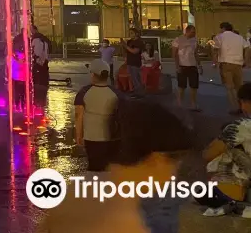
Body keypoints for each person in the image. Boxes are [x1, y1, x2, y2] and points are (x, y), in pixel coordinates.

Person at [39, 101, 193, 233]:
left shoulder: (79, 188)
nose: (174, 174)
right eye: (175, 162)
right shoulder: (126, 222)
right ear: (157, 159)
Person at [198, 82, 251, 217]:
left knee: (198, 191)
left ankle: (233, 198)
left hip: (233, 189)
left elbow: (207, 155)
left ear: (245, 102)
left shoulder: (240, 127)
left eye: (241, 102)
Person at [74, 59, 120, 172]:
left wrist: (78, 135)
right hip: (111, 137)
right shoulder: (115, 93)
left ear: (93, 75)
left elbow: (78, 115)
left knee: (94, 166)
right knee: (108, 167)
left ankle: (94, 187)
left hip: (91, 137)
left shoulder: (84, 92)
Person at [213, 22, 250, 115]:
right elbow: (247, 48)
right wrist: (246, 60)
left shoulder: (219, 37)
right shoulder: (239, 37)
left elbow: (215, 50)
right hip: (238, 64)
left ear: (223, 28)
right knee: (239, 87)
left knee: (229, 87)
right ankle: (243, 106)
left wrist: (216, 62)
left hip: (226, 64)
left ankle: (235, 107)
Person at [173, 24, 201, 111]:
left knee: (194, 86)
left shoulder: (195, 40)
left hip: (192, 66)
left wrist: (199, 65)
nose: (194, 34)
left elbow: (196, 53)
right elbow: (174, 54)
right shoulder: (178, 40)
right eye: (193, 32)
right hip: (182, 66)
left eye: (195, 32)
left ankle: (193, 104)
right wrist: (177, 66)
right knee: (182, 86)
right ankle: (179, 103)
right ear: (187, 31)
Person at [124, 28, 144, 96]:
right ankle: (135, 91)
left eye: (132, 33)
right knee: (132, 78)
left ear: (136, 34)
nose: (130, 34)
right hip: (129, 62)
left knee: (136, 78)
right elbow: (127, 52)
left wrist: (126, 46)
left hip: (135, 62)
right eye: (129, 33)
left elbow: (135, 51)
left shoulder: (139, 42)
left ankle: (140, 93)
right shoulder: (129, 41)